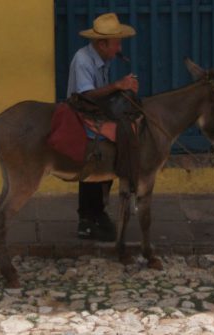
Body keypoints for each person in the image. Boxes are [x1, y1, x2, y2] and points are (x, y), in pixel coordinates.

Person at [67, 13, 139, 241]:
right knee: (98, 151)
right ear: (101, 43)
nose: (119, 48)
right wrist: (117, 85)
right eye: (116, 43)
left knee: (120, 138)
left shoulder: (104, 59)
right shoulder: (82, 60)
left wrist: (122, 90)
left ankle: (98, 210)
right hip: (80, 113)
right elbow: (86, 95)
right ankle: (86, 218)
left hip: (95, 111)